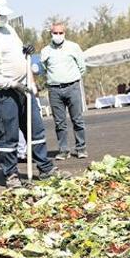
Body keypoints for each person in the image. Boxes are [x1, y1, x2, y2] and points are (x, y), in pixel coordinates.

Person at [0, 0, 60, 189]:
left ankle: (45, 168)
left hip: (24, 87)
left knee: (35, 128)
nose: (5, 18)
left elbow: (16, 52)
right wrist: (10, 83)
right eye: (1, 14)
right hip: (3, 92)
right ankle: (11, 174)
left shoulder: (9, 30)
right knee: (8, 134)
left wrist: (25, 50)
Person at [40, 21, 88, 160]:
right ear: (51, 33)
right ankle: (63, 150)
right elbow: (42, 69)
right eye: (55, 33)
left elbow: (82, 67)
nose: (58, 35)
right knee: (59, 123)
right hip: (54, 89)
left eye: (61, 33)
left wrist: (72, 78)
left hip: (72, 87)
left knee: (77, 120)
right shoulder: (45, 51)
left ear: (65, 33)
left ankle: (81, 148)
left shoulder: (74, 47)